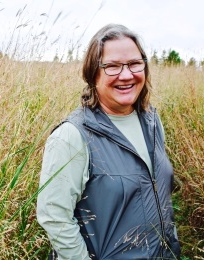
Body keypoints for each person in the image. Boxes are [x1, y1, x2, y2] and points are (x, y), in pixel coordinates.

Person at [37, 23, 181, 259]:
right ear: (93, 73)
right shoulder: (73, 136)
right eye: (112, 66)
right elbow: (54, 216)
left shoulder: (152, 122)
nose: (126, 75)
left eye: (134, 64)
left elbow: (160, 193)